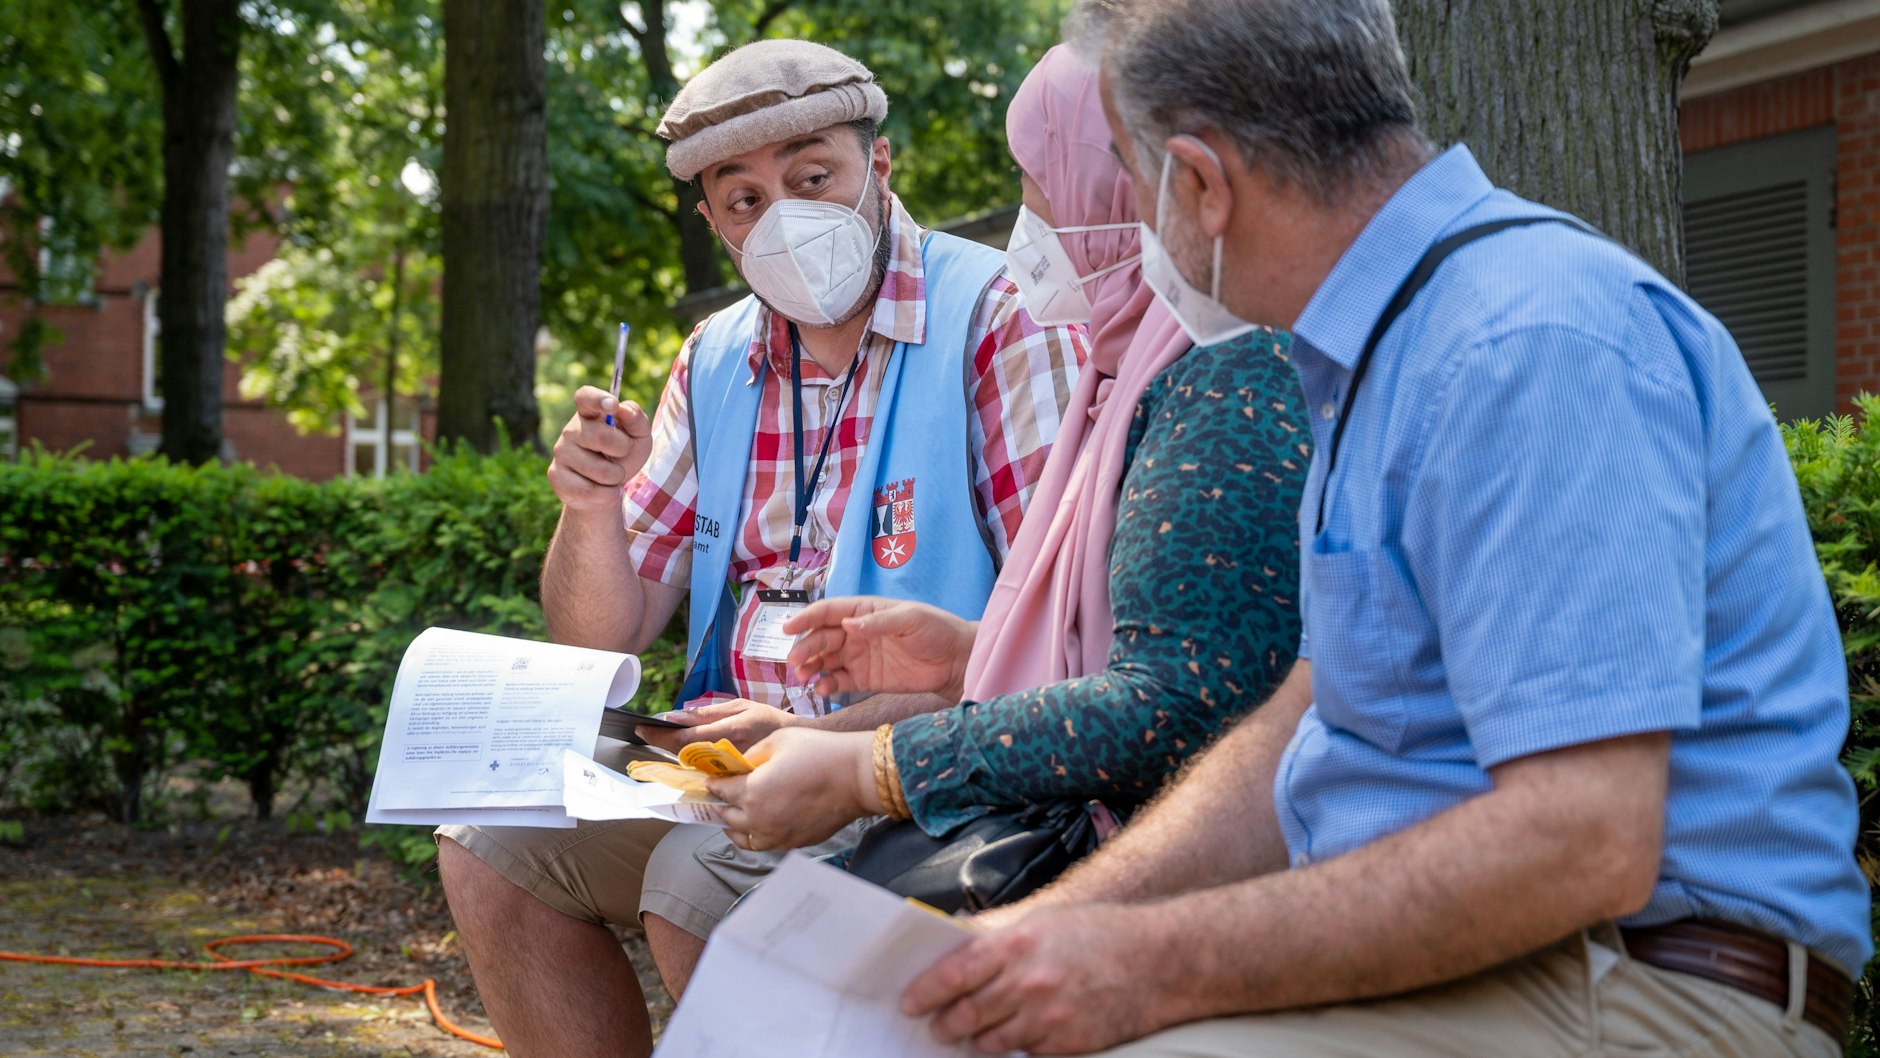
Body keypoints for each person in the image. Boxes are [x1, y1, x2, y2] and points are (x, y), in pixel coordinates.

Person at [893, 1, 1873, 1056]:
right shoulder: (1387, 352)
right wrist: (1045, 926)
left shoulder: (1522, 339)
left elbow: (1581, 840)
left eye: (1129, 183)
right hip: (1508, 967)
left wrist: (1143, 959)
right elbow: (1303, 729)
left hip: (1643, 982)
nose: (1131, 226)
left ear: (1199, 183)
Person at [433, 39, 1085, 1058]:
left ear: (878, 163)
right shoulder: (713, 358)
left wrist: (815, 735)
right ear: (712, 222)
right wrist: (589, 506)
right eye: (743, 200)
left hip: (916, 761)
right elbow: (599, 634)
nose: (781, 218)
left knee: (694, 878)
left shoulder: (1003, 319)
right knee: (490, 842)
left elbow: (1061, 638)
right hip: (722, 763)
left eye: (811, 177)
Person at [703, 38, 1304, 920]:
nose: (1025, 226)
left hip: (1182, 874)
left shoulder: (1227, 377)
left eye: (1037, 184)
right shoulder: (1132, 365)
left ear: (1124, 190)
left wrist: (875, 768)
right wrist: (968, 658)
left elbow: (1171, 706)